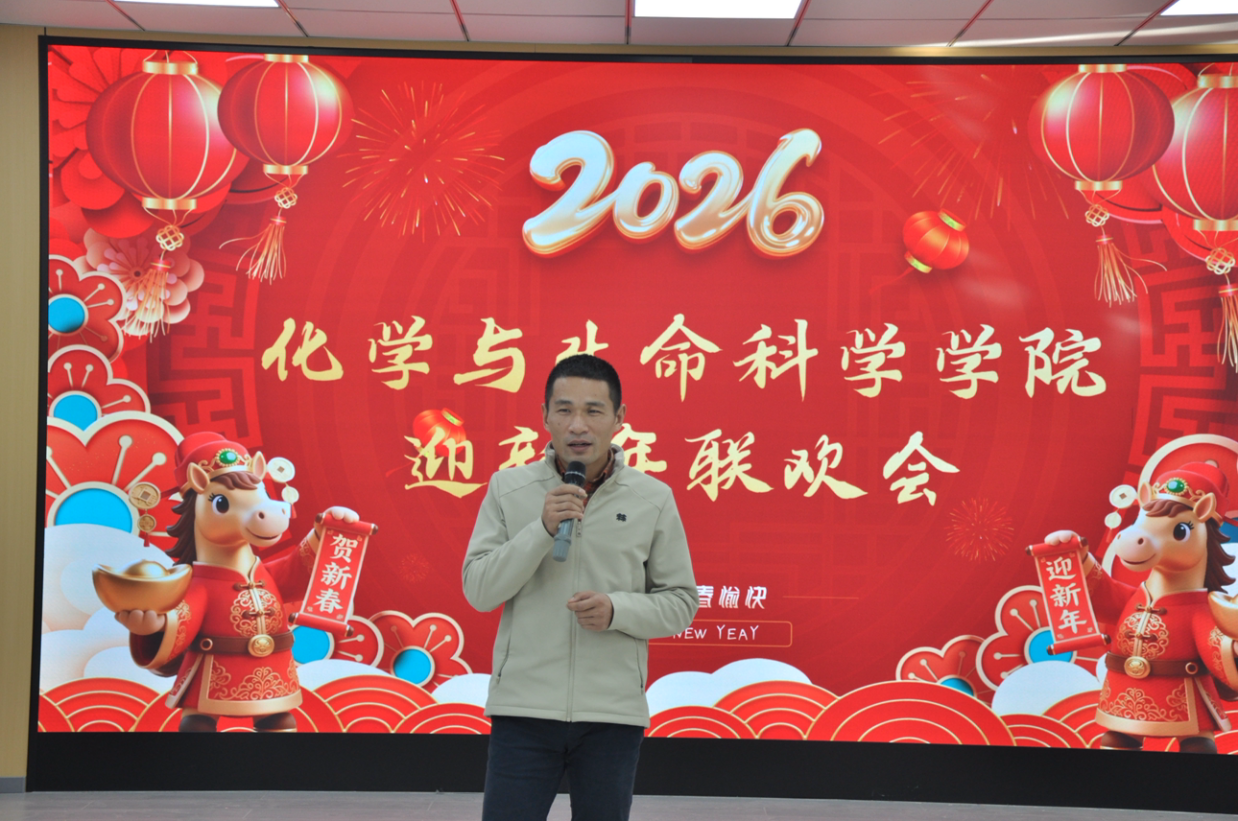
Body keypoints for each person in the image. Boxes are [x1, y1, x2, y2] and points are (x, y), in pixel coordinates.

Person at [463, 354, 698, 821]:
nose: (578, 425)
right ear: (545, 415)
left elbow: (680, 603)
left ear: (619, 417)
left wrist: (617, 610)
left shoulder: (652, 499)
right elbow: (479, 589)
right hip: (524, 711)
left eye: (594, 410)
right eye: (565, 409)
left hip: (611, 716)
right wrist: (541, 530)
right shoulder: (508, 489)